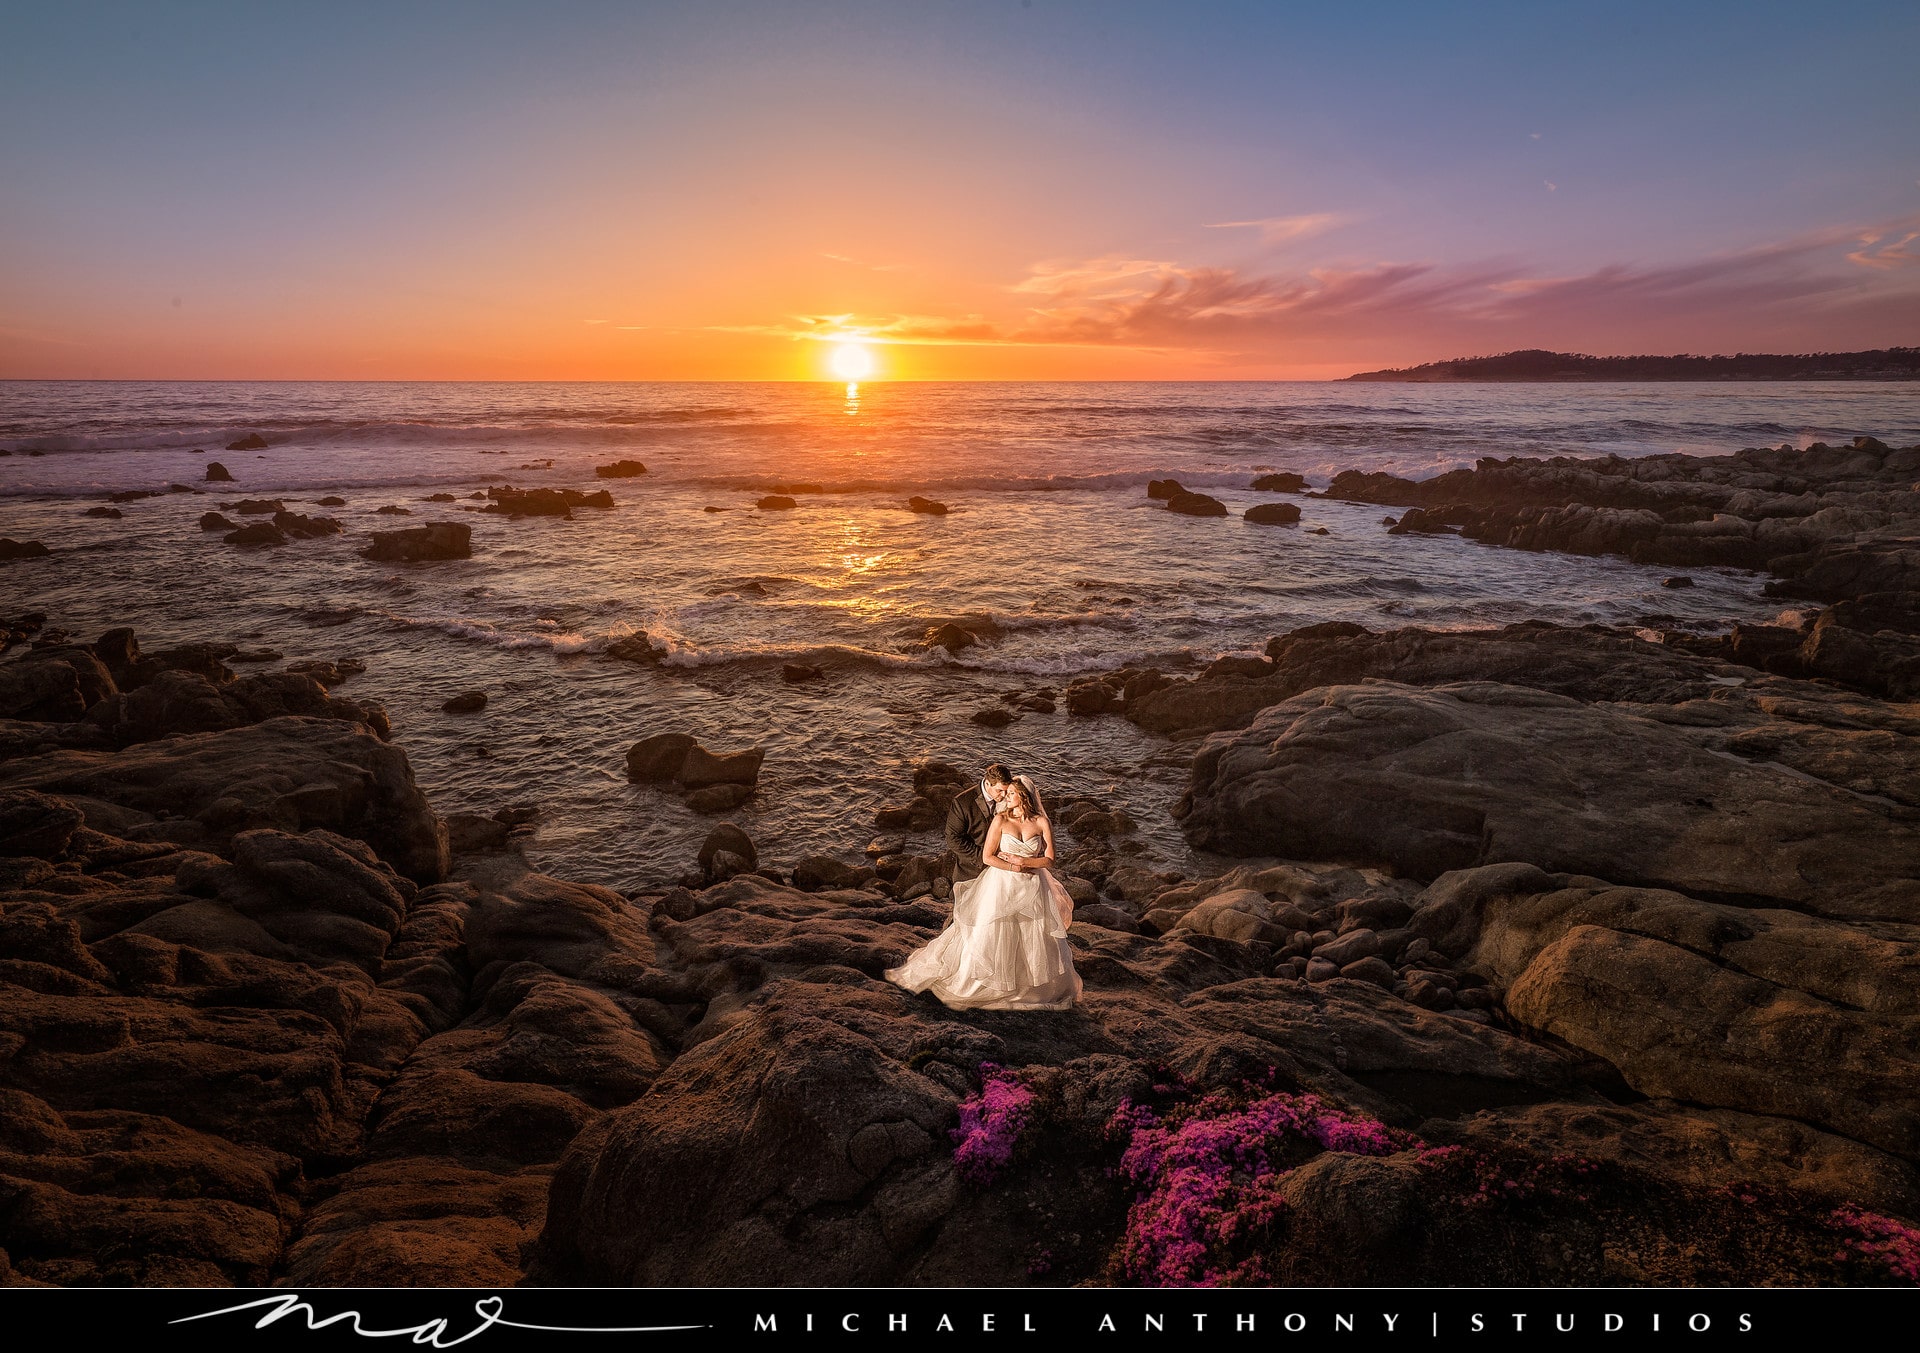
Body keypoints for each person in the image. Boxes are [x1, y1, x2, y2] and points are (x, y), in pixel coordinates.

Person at [885, 772, 1083, 1010]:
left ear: (1025, 797)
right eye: (1005, 793)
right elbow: (988, 857)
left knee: (1031, 935)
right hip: (1001, 884)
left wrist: (1023, 863)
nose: (1006, 797)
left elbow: (1049, 860)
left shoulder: (1041, 822)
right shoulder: (1000, 820)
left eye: (1011, 794)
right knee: (993, 931)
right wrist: (1011, 866)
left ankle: (1029, 987)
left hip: (1032, 885)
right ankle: (990, 983)